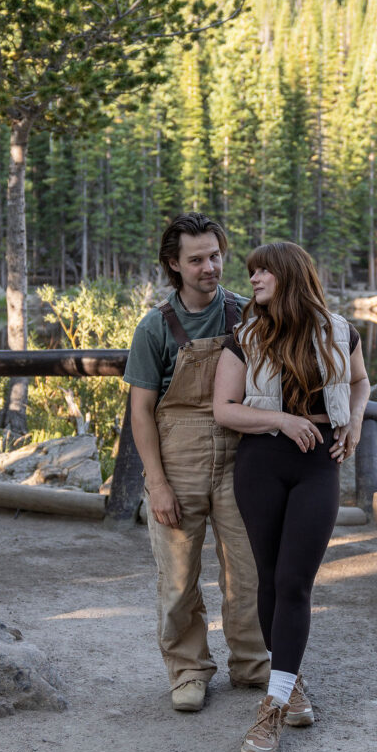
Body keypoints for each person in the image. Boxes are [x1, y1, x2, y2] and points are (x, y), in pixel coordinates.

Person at [213, 241, 371, 752]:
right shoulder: (245, 337)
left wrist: (352, 419)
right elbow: (225, 410)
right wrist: (281, 419)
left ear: (288, 275)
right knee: (268, 577)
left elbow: (361, 381)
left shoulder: (341, 331)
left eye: (261, 272)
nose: (252, 280)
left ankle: (271, 709)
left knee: (295, 582)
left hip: (319, 465)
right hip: (261, 463)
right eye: (251, 272)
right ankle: (290, 684)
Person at [124, 212, 269, 712]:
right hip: (178, 461)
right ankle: (188, 671)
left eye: (215, 255)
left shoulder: (249, 315)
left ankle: (253, 663)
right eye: (197, 259)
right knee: (178, 578)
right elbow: (141, 412)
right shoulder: (154, 328)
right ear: (174, 264)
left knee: (248, 572)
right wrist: (156, 482)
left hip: (240, 459)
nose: (210, 267)